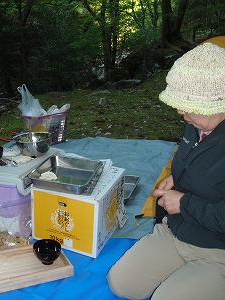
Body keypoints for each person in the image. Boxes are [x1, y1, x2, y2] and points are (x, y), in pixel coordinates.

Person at [107, 42, 225, 300]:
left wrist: (184, 203)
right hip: (177, 232)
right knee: (122, 284)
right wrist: (177, 179)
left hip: (218, 251)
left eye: (187, 105)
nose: (180, 111)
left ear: (216, 104)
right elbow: (198, 167)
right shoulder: (197, 125)